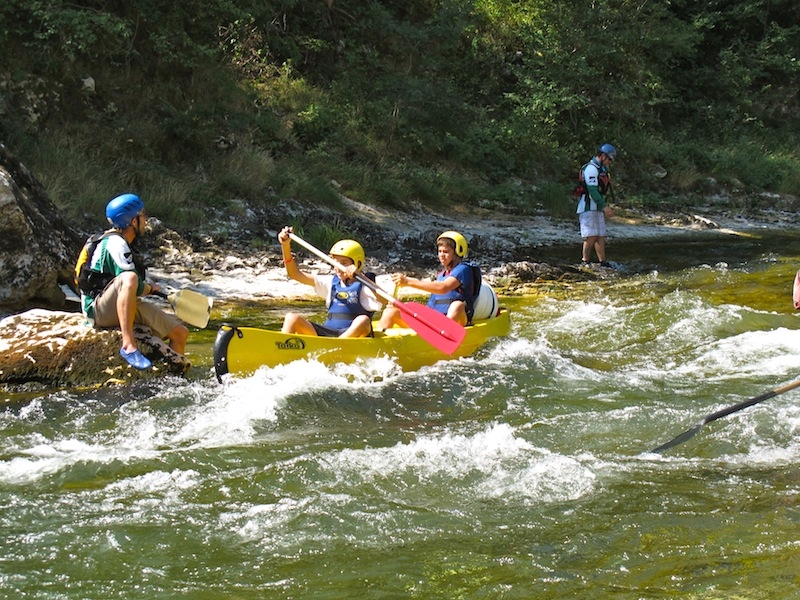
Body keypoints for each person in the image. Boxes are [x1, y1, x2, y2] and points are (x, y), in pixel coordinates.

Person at [77, 193, 189, 370]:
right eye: (142, 215)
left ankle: (176, 379)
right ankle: (128, 345)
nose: (145, 219)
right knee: (130, 278)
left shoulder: (121, 242)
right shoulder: (115, 243)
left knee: (180, 333)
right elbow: (132, 284)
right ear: (131, 221)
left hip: (117, 304)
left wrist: (148, 289)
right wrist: (150, 288)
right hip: (98, 310)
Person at [277, 226, 382, 337]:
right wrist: (285, 246)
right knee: (291, 318)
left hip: (353, 334)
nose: (337, 267)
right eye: (336, 262)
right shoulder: (331, 282)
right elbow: (295, 274)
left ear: (358, 264)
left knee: (363, 320)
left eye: (344, 263)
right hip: (328, 333)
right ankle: (281, 347)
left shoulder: (366, 285)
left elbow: (385, 300)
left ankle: (338, 346)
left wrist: (361, 276)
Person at [377, 231, 478, 330]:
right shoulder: (441, 276)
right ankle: (377, 344)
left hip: (459, 320)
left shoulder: (464, 269)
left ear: (458, 252)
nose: (442, 255)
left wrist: (408, 282)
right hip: (435, 322)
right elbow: (430, 307)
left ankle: (442, 336)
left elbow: (443, 288)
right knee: (390, 311)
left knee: (457, 305)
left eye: (446, 252)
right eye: (440, 251)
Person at [576, 143, 616, 267]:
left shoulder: (601, 169)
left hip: (597, 208)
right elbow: (592, 190)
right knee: (591, 235)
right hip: (588, 207)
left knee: (601, 235)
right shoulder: (591, 168)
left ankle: (602, 262)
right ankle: (585, 261)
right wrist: (604, 206)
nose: (610, 162)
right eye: (609, 159)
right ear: (603, 156)